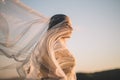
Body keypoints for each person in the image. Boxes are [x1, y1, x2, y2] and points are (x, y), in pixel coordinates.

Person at [0, 0, 76, 80]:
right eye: (68, 25)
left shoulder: (44, 47)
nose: (72, 28)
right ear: (60, 27)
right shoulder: (56, 48)